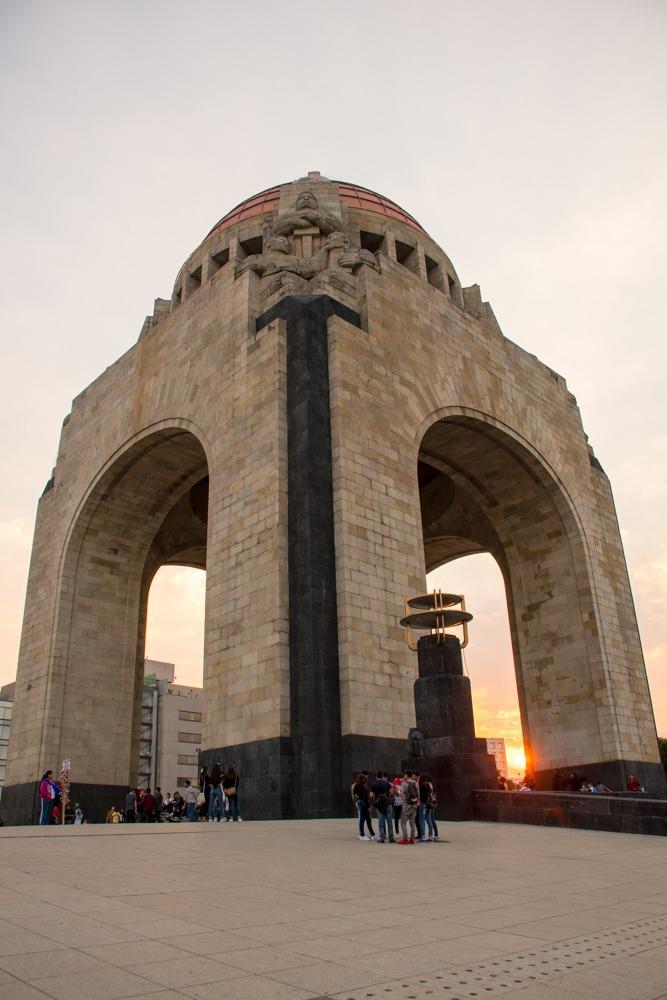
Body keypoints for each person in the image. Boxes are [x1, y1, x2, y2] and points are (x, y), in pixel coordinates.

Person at [370, 771, 394, 843]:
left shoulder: (374, 784)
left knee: (381, 822)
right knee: (389, 821)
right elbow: (391, 792)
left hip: (379, 804)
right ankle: (391, 838)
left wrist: (377, 797)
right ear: (382, 776)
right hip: (388, 803)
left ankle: (382, 838)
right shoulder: (387, 783)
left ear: (376, 776)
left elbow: (371, 795)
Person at [398, 770, 419, 844]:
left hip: (406, 805)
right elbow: (418, 795)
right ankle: (412, 839)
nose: (404, 776)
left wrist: (403, 797)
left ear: (406, 775)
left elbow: (401, 793)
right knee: (412, 823)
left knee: (403, 822)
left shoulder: (404, 783)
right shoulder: (415, 783)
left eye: (404, 775)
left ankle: (405, 839)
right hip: (414, 805)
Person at [352, 773, 373, 840]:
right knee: (363, 819)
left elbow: (354, 793)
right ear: (362, 779)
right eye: (364, 778)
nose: (365, 780)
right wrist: (368, 806)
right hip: (362, 803)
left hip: (361, 802)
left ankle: (370, 834)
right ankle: (362, 835)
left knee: (366, 819)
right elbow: (364, 797)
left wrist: (356, 796)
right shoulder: (361, 786)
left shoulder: (357, 785)